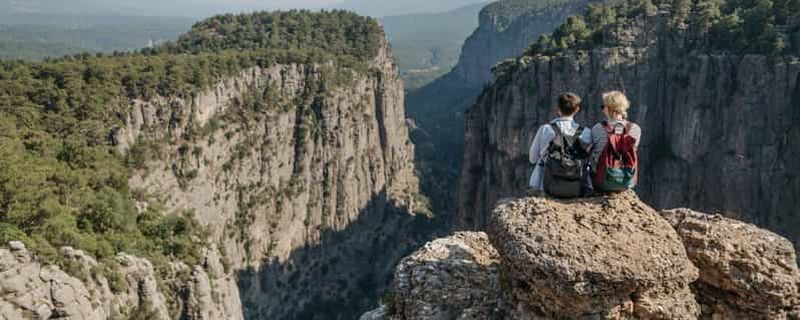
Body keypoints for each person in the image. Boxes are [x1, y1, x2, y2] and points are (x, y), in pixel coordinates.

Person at [528, 92, 592, 197]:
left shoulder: (545, 129)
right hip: (578, 186)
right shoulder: (586, 133)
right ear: (577, 110)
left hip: (546, 186)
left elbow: (533, 158)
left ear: (558, 109)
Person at [590, 91, 642, 192]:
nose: (602, 110)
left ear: (609, 108)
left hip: (602, 181)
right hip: (627, 181)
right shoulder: (635, 129)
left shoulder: (597, 128)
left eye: (603, 107)